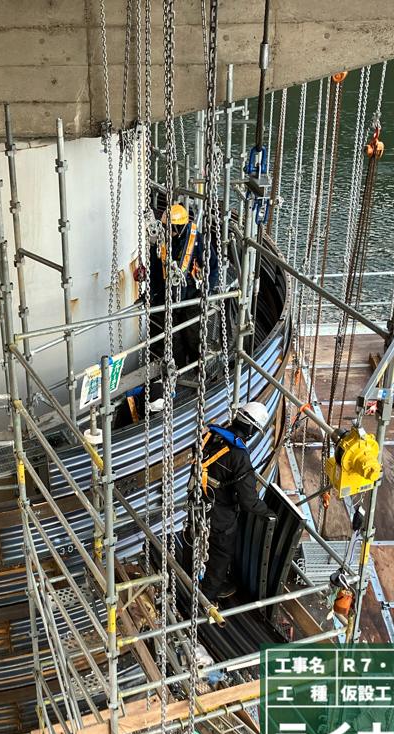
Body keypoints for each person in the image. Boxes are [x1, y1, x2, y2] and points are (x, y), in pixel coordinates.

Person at [197, 401, 271, 600]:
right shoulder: (238, 455)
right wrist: (268, 512)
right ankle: (206, 598)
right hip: (220, 515)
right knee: (220, 555)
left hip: (197, 503)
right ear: (252, 429)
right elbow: (248, 500)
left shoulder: (211, 435)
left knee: (195, 542)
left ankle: (188, 582)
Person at [149, 203, 206, 369]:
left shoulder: (196, 241)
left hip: (191, 296)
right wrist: (152, 294)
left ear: (179, 227)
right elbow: (154, 270)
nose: (167, 232)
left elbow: (212, 266)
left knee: (193, 335)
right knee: (173, 340)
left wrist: (209, 289)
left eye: (170, 228)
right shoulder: (161, 242)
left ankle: (197, 367)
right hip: (168, 297)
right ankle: (179, 370)